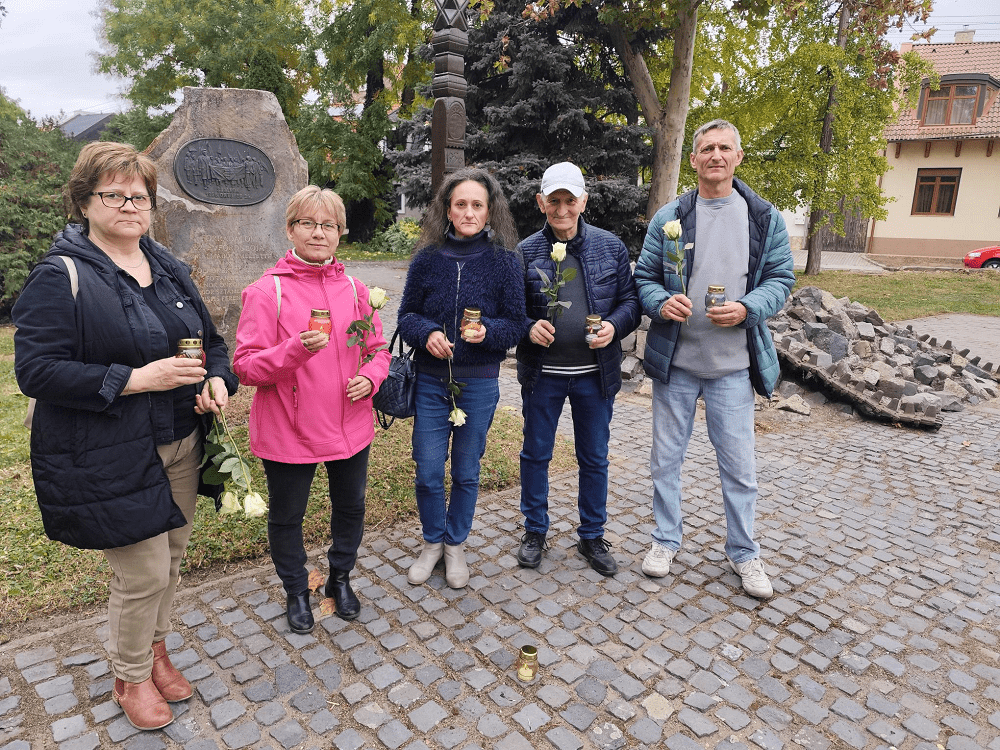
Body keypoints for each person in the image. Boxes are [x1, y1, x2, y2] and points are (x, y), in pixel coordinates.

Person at [12, 142, 237, 730]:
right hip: (109, 449)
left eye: (139, 195)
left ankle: (155, 650)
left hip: (182, 438)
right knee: (142, 573)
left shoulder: (167, 267)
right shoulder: (60, 276)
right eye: (114, 194)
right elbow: (35, 372)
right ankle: (130, 674)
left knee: (174, 558)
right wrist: (138, 378)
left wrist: (217, 378)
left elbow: (211, 342)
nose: (130, 204)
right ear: (85, 201)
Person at [634, 119, 795, 598]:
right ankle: (665, 540)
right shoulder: (670, 215)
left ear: (738, 157)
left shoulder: (763, 218)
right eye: (707, 148)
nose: (716, 156)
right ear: (694, 159)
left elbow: (781, 281)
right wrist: (661, 302)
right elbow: (643, 278)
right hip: (677, 363)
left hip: (732, 368)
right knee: (665, 460)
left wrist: (748, 308)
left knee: (739, 468)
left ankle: (744, 553)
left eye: (725, 148)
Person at [233, 186, 390, 630]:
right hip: (289, 426)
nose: (318, 232)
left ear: (340, 233)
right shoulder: (267, 292)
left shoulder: (356, 289)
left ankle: (340, 577)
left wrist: (373, 377)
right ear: (290, 229)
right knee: (288, 517)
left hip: (349, 423)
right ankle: (295, 588)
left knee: (351, 507)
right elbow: (245, 367)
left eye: (329, 225)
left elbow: (378, 348)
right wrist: (294, 351)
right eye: (308, 223)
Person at [398, 168, 526, 589]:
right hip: (432, 382)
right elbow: (407, 317)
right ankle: (432, 542)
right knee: (428, 470)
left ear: (490, 212)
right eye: (460, 204)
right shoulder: (427, 259)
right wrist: (429, 333)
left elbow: (516, 324)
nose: (468, 212)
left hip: (479, 382)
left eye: (477, 205)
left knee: (467, 471)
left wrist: (489, 331)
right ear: (447, 210)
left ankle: (455, 545)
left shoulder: (505, 260)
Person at [515, 162, 641, 576]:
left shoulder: (610, 247)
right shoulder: (528, 250)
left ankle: (591, 534)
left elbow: (630, 303)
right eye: (555, 201)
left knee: (594, 456)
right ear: (541, 203)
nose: (563, 209)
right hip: (543, 375)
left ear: (583, 201)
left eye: (571, 200)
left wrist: (613, 326)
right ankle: (535, 530)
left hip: (593, 374)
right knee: (536, 454)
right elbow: (511, 312)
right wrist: (529, 327)